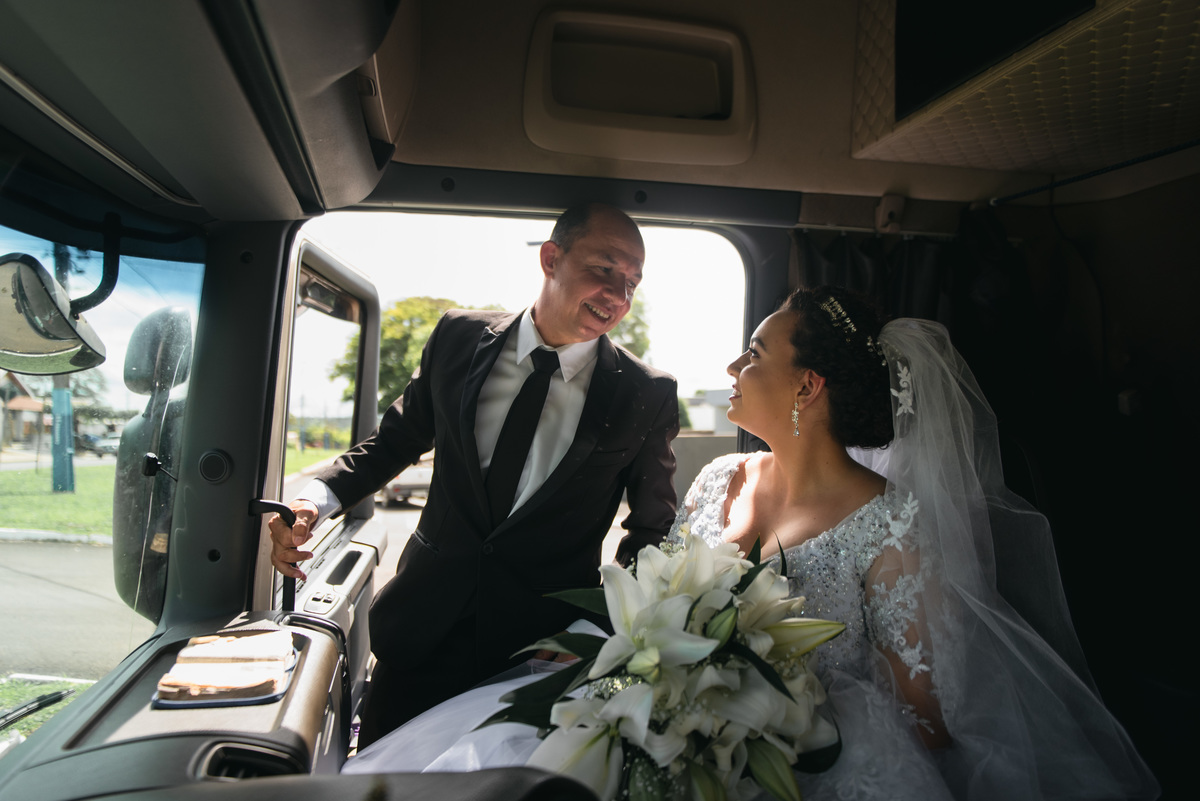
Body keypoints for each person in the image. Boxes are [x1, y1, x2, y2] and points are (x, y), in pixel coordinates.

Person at [345, 286, 1159, 801]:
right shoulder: (719, 477)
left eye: (756, 352)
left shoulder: (893, 523)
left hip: (799, 757)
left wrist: (757, 719)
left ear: (809, 385)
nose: (735, 364)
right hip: (651, 720)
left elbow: (925, 718)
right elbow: (660, 602)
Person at [269, 203, 680, 747]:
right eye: (604, 269)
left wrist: (592, 630)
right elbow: (394, 442)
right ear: (551, 259)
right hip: (419, 637)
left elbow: (653, 533)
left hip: (540, 661)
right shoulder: (457, 337)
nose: (618, 295)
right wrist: (314, 502)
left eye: (631, 282)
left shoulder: (646, 392)